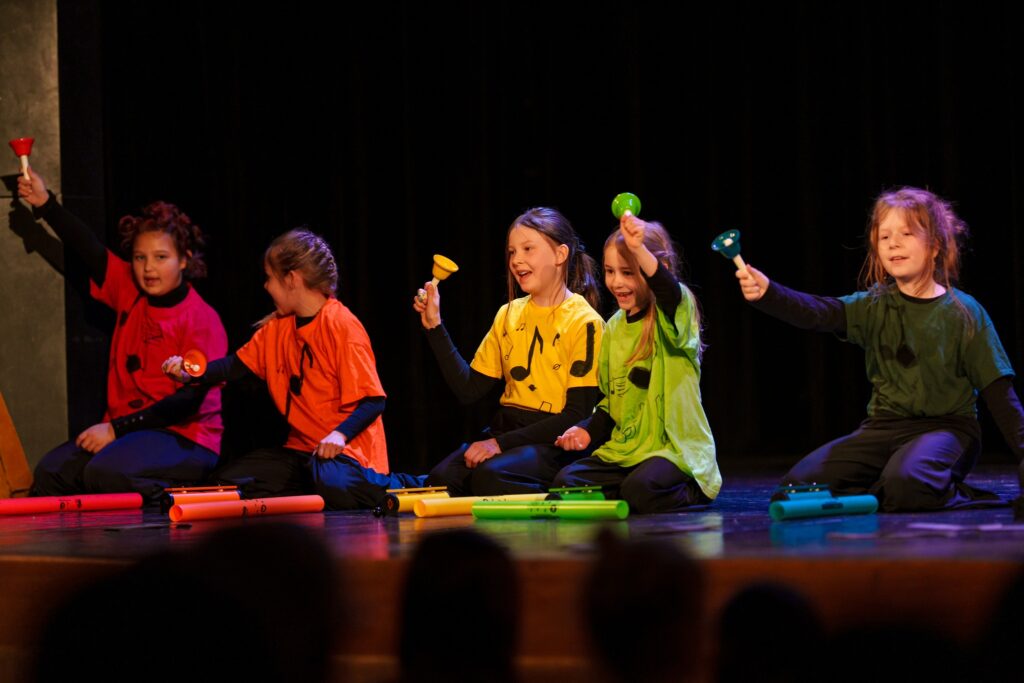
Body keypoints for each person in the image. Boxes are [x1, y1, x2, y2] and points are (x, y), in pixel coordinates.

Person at [736, 186, 1024, 511]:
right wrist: (769, 293)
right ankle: (886, 490)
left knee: (906, 486)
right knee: (797, 488)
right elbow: (818, 312)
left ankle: (951, 493)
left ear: (935, 246)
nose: (893, 243)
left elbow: (1000, 394)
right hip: (883, 428)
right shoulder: (874, 305)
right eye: (884, 236)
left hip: (946, 430)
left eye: (906, 234)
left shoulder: (964, 313)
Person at [164, 228, 422, 509]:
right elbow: (235, 366)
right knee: (232, 479)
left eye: (270, 278)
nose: (266, 287)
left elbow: (374, 401)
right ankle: (313, 489)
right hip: (303, 453)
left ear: (292, 279)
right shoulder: (279, 327)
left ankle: (407, 486)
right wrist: (190, 374)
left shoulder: (341, 325)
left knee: (331, 478)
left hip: (348, 455)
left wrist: (339, 435)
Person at [19, 170, 226, 502]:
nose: (148, 268)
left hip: (184, 437)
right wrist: (45, 203)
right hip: (126, 433)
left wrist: (116, 430)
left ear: (184, 260)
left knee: (105, 473)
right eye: (140, 258)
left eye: (161, 258)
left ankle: (180, 502)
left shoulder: (201, 320)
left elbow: (186, 402)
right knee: (52, 473)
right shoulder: (129, 288)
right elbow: (88, 249)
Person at [413, 207, 604, 495]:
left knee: (490, 477)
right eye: (512, 252)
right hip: (509, 429)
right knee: (440, 481)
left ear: (560, 254)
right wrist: (435, 327)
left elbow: (576, 414)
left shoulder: (584, 322)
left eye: (528, 249)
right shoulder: (509, 314)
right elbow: (469, 389)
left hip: (553, 439)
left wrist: (499, 445)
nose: (516, 260)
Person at [552, 215, 721, 512]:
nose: (617, 282)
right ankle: (626, 491)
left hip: (673, 450)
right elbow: (612, 400)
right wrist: (586, 430)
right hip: (627, 451)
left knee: (640, 490)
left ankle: (695, 490)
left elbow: (668, 291)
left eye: (628, 272)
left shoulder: (675, 311)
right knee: (566, 482)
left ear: (657, 267)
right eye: (610, 271)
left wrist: (639, 248)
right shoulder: (614, 327)